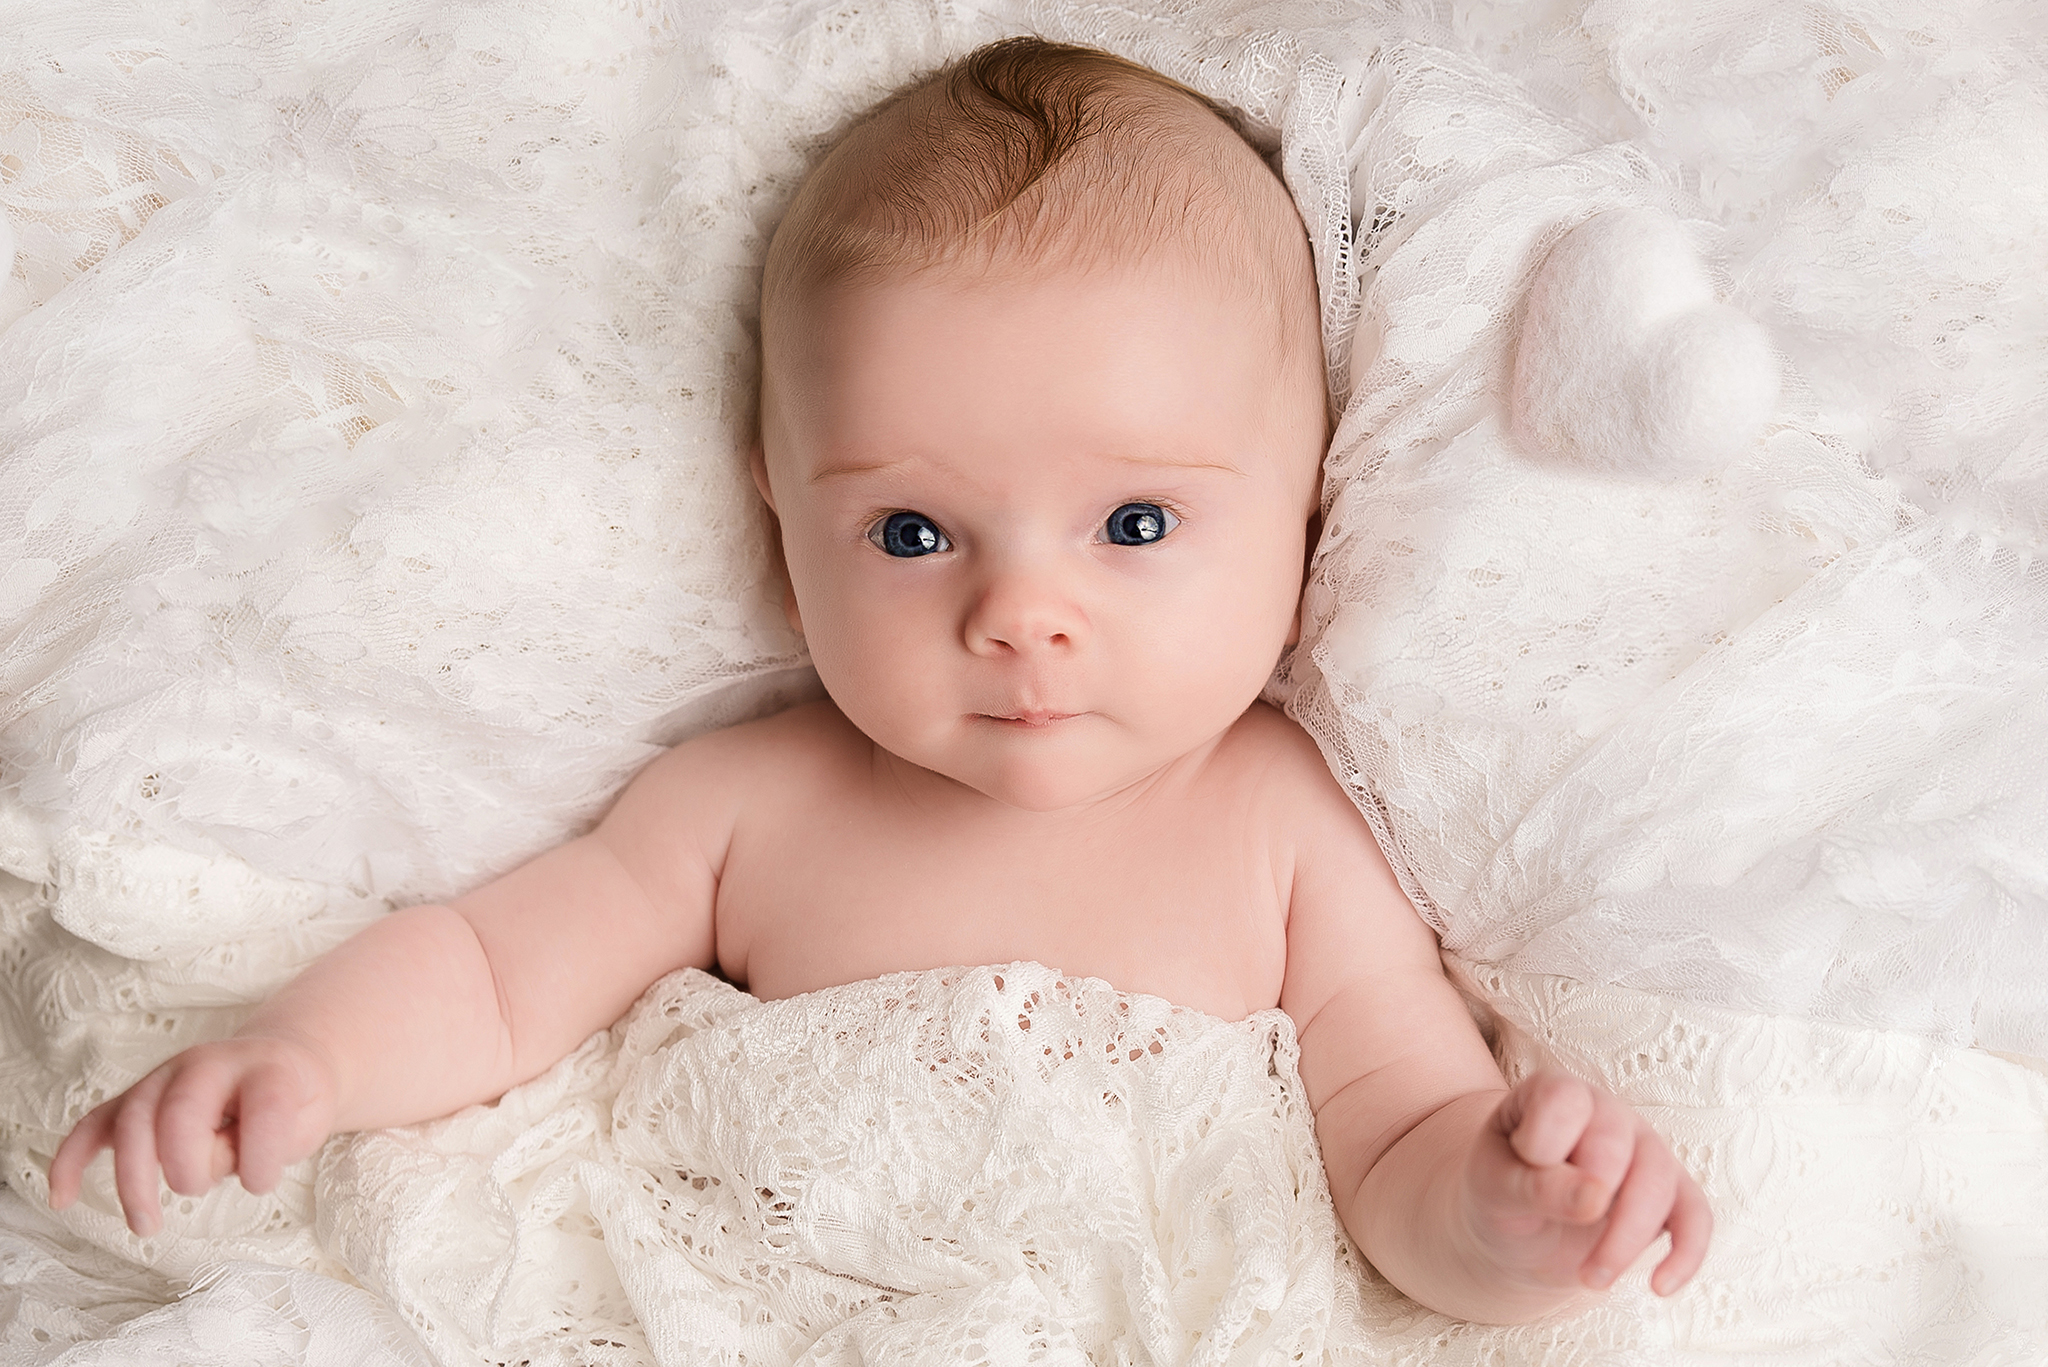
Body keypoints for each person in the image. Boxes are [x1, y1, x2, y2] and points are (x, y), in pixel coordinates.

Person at [48, 37, 1708, 1325]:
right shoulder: (743, 808)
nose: (1017, 614)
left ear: (1311, 511)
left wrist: (1510, 1216)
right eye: (911, 530)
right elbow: (488, 979)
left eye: (1135, 521)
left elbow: (1399, 1152)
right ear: (784, 522)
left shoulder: (1283, 835)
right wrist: (305, 1059)